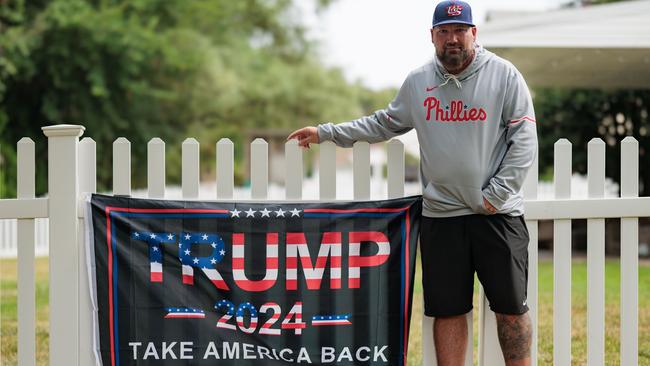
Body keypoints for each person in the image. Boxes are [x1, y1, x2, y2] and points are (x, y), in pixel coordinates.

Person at [287, 1, 536, 365]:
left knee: (511, 308)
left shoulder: (504, 75)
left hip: (496, 215)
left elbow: (525, 138)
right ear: (432, 36)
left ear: (474, 34)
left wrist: (496, 195)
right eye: (444, 32)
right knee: (447, 309)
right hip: (442, 216)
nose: (453, 39)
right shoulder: (419, 81)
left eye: (460, 30)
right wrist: (326, 133)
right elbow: (381, 123)